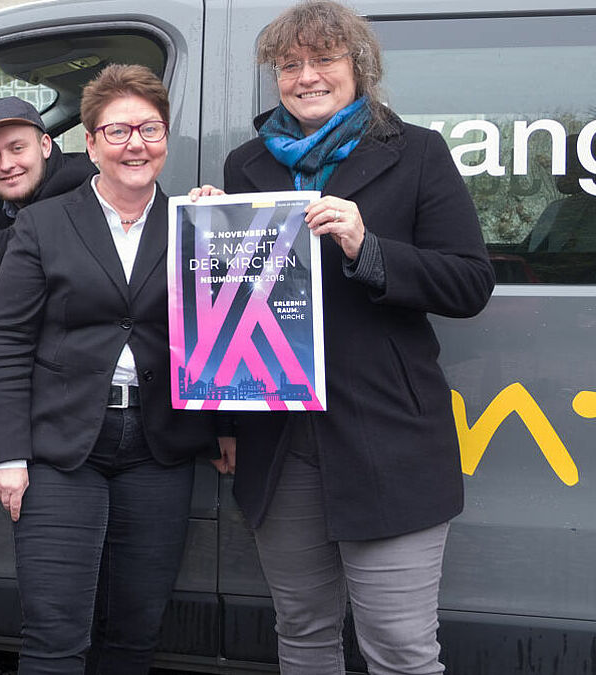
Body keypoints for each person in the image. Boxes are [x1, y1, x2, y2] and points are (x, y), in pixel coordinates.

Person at [219, 2, 496, 673]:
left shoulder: (418, 153)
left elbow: (468, 283)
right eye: (290, 64)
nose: (306, 76)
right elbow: (229, 317)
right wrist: (214, 231)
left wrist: (367, 245)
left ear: (359, 69)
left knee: (400, 648)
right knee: (303, 631)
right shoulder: (245, 166)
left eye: (323, 60)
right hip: (279, 444)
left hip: (387, 438)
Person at [0, 63, 222, 675]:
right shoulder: (44, 223)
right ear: (89, 144)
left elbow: (225, 332)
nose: (134, 144)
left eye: (149, 129)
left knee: (135, 634)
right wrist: (8, 455)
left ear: (166, 138)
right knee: (56, 635)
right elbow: (8, 343)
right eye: (116, 131)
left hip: (158, 445)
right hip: (62, 449)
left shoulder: (195, 224)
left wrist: (231, 230)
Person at [0, 96, 96, 270]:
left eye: (17, 148)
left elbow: (19, 245)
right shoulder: (2, 201)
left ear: (45, 146)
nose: (5, 165)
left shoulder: (81, 188)